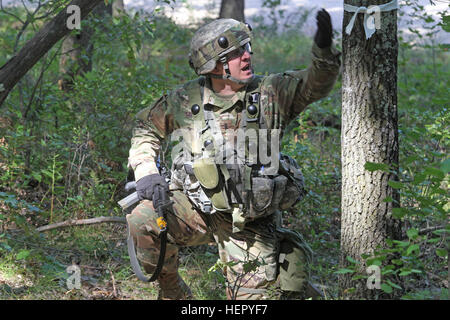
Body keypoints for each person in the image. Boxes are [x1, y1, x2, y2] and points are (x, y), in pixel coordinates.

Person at [126, 9, 341, 300]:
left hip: (247, 221)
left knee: (251, 300)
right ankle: (172, 289)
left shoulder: (271, 93)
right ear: (212, 65)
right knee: (144, 219)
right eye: (237, 53)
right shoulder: (185, 99)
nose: (247, 56)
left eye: (248, 48)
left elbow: (317, 83)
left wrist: (323, 50)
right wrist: (146, 170)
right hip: (194, 208)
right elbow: (145, 127)